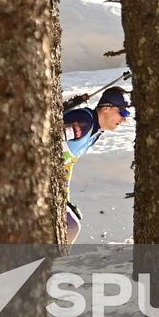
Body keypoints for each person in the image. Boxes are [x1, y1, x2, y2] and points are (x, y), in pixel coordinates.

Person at [61, 85, 131, 243]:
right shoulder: (84, 121)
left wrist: (65, 200)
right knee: (71, 225)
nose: (124, 119)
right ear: (106, 108)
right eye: (123, 112)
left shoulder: (95, 132)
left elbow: (66, 165)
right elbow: (46, 138)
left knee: (71, 224)